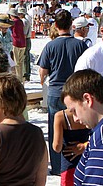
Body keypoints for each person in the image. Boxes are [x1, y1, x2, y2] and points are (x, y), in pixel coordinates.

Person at [38, 10, 88, 175]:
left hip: (55, 90)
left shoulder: (50, 45)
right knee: (78, 126)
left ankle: (58, 167)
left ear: (56, 25)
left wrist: (42, 81)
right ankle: (75, 162)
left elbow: (43, 70)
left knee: (55, 128)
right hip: (74, 91)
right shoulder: (80, 45)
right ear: (71, 25)